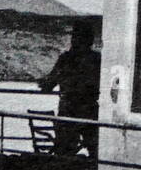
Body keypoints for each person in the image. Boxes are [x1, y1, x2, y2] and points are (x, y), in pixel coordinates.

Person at [38, 17, 101, 156]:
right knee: (95, 149)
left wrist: (43, 83)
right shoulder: (97, 59)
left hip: (69, 109)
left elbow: (49, 85)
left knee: (65, 149)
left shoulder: (66, 59)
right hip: (90, 110)